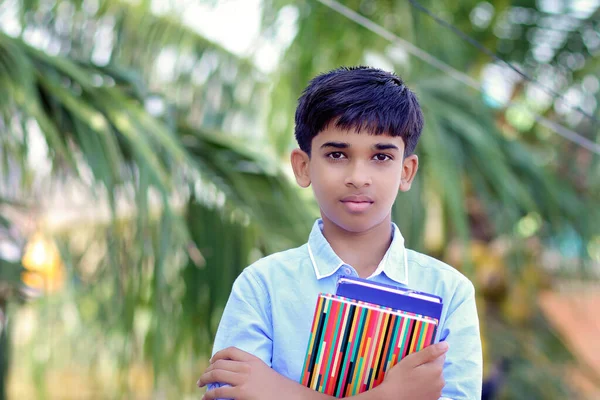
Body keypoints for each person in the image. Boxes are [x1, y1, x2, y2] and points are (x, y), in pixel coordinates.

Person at [197, 66, 482, 399]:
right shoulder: (262, 287)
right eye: (336, 154)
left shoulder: (450, 294)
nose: (358, 176)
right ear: (303, 167)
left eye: (381, 156)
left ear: (406, 171)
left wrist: (279, 391)